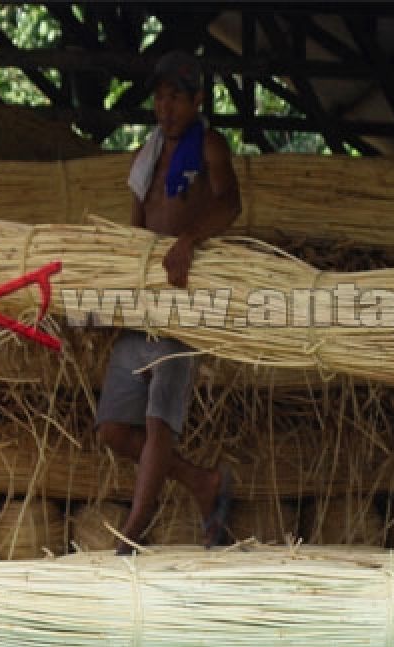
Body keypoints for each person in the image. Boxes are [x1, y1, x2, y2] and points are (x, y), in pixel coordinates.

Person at [95, 51, 242, 554]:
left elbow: (230, 203)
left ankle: (134, 529)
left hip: (184, 294)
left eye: (176, 97)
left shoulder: (209, 147)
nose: (166, 106)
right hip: (146, 296)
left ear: (197, 100)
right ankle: (204, 482)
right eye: (160, 96)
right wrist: (123, 281)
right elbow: (137, 221)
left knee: (159, 417)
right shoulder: (149, 151)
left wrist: (189, 242)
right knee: (113, 428)